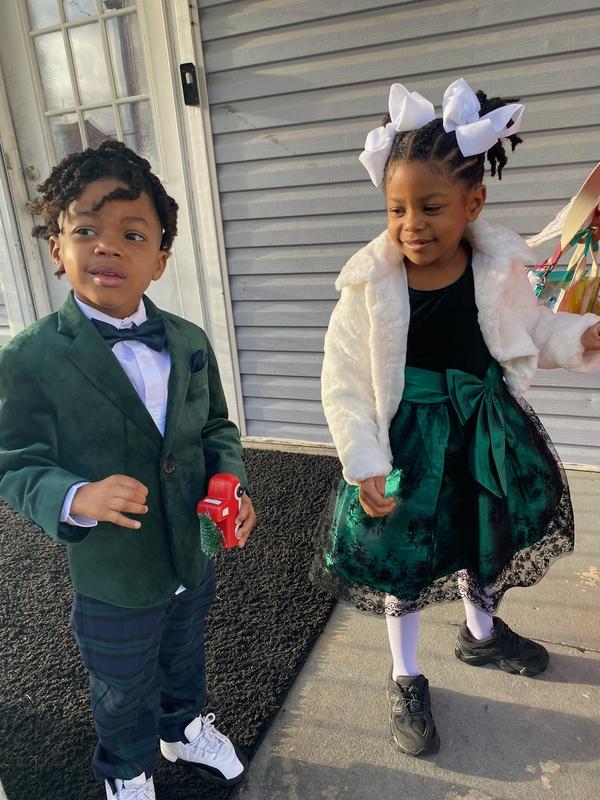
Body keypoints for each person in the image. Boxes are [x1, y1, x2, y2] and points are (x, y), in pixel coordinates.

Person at [318, 79, 600, 758]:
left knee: (483, 539)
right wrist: (365, 460)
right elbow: (344, 378)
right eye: (397, 208)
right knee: (406, 563)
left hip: (482, 433)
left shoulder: (497, 267)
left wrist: (579, 336)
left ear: (474, 202)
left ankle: (481, 635)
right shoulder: (369, 286)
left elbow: (531, 327)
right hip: (407, 445)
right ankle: (405, 676)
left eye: (431, 207)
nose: (412, 224)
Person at [0, 140, 256, 799]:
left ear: (160, 259)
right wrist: (75, 495)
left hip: (191, 550)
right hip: (113, 572)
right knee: (120, 681)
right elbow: (15, 461)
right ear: (56, 248)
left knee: (184, 654)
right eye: (86, 230)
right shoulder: (30, 357)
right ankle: (126, 768)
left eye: (132, 235)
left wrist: (230, 479)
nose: (108, 247)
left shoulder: (189, 340)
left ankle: (183, 728)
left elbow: (216, 427)